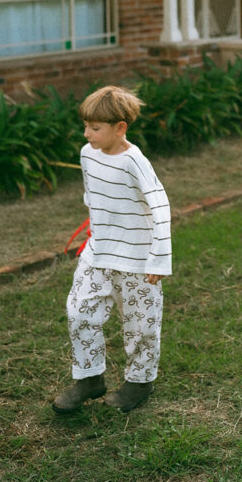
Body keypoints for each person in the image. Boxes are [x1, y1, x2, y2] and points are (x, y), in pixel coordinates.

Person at [52, 85, 172, 415]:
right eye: (86, 126)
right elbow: (92, 196)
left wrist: (159, 259)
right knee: (79, 310)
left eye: (95, 127)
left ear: (120, 128)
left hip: (137, 258)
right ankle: (89, 378)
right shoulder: (87, 154)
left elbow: (160, 208)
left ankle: (139, 382)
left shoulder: (135, 162)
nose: (87, 133)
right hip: (99, 251)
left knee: (140, 323)